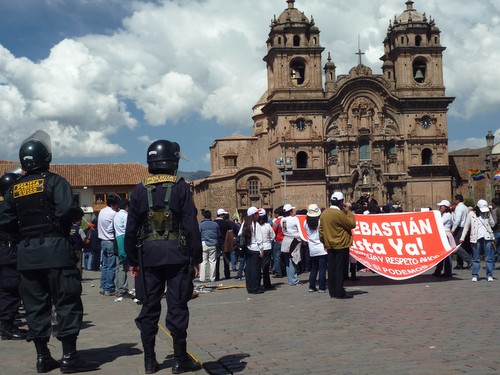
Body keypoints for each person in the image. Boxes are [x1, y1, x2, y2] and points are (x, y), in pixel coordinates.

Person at [0, 130, 98, 373]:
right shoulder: (55, 181)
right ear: (47, 158)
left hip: (27, 254)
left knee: (35, 306)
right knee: (66, 302)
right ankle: (70, 357)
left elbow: (5, 221)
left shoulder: (14, 189)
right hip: (56, 250)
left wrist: (25, 234)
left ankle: (43, 357)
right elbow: (67, 210)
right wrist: (66, 220)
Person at [124, 139, 202, 374]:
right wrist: (196, 257)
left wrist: (133, 261)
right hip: (177, 257)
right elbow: (190, 225)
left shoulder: (139, 189)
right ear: (173, 161)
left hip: (148, 258)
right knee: (177, 306)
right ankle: (179, 360)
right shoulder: (180, 187)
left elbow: (131, 228)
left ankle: (149, 360)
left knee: (149, 307)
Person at [0, 170, 27, 341]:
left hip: (5, 249)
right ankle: (7, 325)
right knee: (10, 288)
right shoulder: (8, 208)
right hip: (9, 250)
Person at [319, 191, 356, 299]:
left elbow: (320, 230)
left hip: (330, 245)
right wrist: (348, 212)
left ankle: (333, 291)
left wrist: (324, 241)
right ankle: (339, 292)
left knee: (332, 269)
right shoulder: (339, 214)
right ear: (341, 202)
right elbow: (352, 224)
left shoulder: (324, 213)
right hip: (341, 244)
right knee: (340, 269)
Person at [459, 199, 495, 282]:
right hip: (476, 238)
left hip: (487, 237)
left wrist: (489, 215)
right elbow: (466, 226)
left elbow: (493, 224)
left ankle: (489, 275)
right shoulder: (471, 214)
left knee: (488, 258)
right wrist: (462, 237)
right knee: (476, 258)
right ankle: (475, 274)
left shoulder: (487, 214)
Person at [97, 193, 121, 296]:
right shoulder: (113, 214)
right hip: (111, 241)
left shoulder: (102, 211)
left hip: (102, 241)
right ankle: (109, 288)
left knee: (105, 266)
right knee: (111, 267)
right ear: (113, 204)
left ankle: (102, 287)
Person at [238, 207, 264, 294]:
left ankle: (249, 287)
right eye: (257, 214)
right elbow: (259, 240)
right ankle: (255, 287)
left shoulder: (244, 224)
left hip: (246, 248)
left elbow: (239, 235)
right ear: (254, 215)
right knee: (255, 269)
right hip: (255, 249)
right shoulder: (256, 225)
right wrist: (261, 250)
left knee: (248, 269)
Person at [304, 204, 327, 293]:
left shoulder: (306, 223)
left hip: (312, 249)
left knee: (314, 268)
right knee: (322, 269)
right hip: (322, 248)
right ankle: (322, 287)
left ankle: (312, 286)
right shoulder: (321, 222)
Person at [280, 203, 302, 286]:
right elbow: (300, 229)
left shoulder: (283, 220)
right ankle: (293, 280)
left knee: (288, 261)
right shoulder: (294, 219)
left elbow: (284, 230)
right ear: (290, 211)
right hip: (294, 240)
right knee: (293, 259)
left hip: (286, 240)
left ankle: (290, 279)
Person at [432, 200, 455, 278]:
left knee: (447, 255)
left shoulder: (447, 215)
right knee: (441, 254)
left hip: (445, 234)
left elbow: (439, 222)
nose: (440, 208)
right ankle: (438, 270)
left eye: (441, 207)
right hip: (442, 234)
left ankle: (447, 271)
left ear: (445, 207)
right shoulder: (443, 214)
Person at [113, 198, 130, 302]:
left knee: (118, 266)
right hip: (123, 239)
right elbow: (129, 229)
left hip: (117, 239)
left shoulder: (116, 215)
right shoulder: (125, 215)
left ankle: (118, 288)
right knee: (123, 267)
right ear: (127, 207)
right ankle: (122, 289)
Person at [198, 210, 220, 283]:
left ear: (204, 216)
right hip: (213, 244)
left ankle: (202, 278)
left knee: (203, 261)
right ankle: (212, 278)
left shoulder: (201, 225)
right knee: (213, 261)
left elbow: (198, 234)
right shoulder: (215, 224)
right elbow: (218, 234)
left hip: (204, 243)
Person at [451, 194, 472, 269]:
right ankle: (459, 263)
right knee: (460, 246)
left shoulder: (459, 208)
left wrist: (453, 229)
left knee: (456, 245)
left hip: (459, 228)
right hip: (464, 228)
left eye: (455, 200)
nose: (454, 201)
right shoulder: (465, 207)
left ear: (458, 200)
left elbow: (457, 220)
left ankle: (468, 259)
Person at [258, 208, 275, 290]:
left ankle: (257, 283)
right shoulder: (268, 225)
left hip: (257, 248)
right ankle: (267, 284)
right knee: (266, 267)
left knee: (258, 266)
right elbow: (273, 236)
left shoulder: (256, 226)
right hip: (267, 247)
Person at [214, 208, 232, 280]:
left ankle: (217, 275)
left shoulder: (214, 222)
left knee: (216, 260)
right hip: (225, 242)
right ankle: (227, 274)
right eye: (224, 214)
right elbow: (230, 231)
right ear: (221, 215)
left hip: (216, 242)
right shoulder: (226, 223)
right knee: (226, 259)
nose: (224, 216)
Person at [271, 207, 284, 278]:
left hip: (278, 240)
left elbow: (273, 231)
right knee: (284, 257)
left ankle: (278, 273)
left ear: (277, 214)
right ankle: (284, 271)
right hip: (284, 240)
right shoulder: (284, 220)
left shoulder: (277, 222)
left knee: (277, 257)